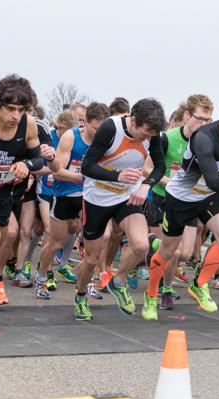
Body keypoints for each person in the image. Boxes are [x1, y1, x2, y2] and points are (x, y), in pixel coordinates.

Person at [145, 93, 219, 320]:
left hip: (210, 196)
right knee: (170, 251)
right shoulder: (204, 137)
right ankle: (151, 294)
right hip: (182, 198)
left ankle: (199, 284)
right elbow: (213, 179)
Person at [0, 74, 55, 320]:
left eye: (20, 109)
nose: (16, 115)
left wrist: (27, 164)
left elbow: (38, 157)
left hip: (5, 193)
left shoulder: (27, 124)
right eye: (10, 108)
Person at [74, 98, 166, 320]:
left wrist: (145, 186)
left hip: (126, 196)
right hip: (97, 197)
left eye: (152, 133)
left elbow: (160, 166)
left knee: (141, 244)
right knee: (93, 259)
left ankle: (118, 281)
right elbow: (87, 167)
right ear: (133, 120)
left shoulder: (152, 134)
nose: (148, 137)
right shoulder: (110, 127)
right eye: (145, 131)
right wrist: (118, 176)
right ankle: (80, 295)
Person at [143, 94, 214, 310]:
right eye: (200, 118)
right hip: (162, 197)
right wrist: (171, 183)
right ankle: (164, 290)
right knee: (171, 252)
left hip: (187, 201)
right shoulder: (167, 138)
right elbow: (147, 168)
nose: (204, 124)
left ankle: (152, 243)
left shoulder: (208, 142)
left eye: (208, 120)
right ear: (186, 116)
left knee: (186, 253)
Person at [35, 102, 110, 299]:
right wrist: (86, 176)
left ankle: (88, 282)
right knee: (55, 242)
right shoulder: (71, 137)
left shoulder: (106, 140)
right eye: (95, 129)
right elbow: (57, 172)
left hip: (90, 196)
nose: (99, 133)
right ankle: (41, 277)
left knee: (96, 240)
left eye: (103, 129)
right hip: (65, 195)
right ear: (86, 123)